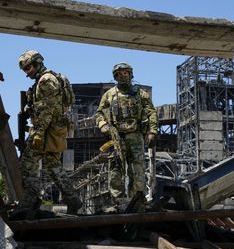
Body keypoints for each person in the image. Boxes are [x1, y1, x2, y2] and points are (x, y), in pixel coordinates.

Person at [14, 50, 81, 217]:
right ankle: (73, 200)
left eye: (28, 68)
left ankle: (29, 203)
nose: (27, 72)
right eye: (25, 69)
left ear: (37, 63)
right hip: (52, 130)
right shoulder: (46, 79)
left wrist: (37, 134)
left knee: (26, 166)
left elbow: (47, 110)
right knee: (54, 167)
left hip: (45, 131)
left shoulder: (45, 81)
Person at [95, 62, 158, 207]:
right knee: (116, 169)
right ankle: (118, 201)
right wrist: (103, 125)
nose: (123, 76)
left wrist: (152, 131)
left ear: (130, 74)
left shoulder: (140, 94)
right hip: (116, 137)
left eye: (126, 73)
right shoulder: (109, 95)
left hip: (135, 136)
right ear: (115, 76)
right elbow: (99, 113)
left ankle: (137, 200)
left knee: (137, 169)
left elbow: (151, 112)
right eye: (120, 73)